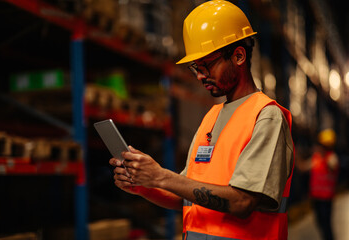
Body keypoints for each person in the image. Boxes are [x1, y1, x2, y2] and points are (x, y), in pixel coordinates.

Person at [110, 1, 295, 239]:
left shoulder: (266, 116)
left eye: (206, 65)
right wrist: (143, 185)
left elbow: (242, 202)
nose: (199, 75)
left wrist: (161, 176)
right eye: (195, 67)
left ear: (238, 56)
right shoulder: (212, 117)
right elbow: (187, 194)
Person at [297, 129, 339, 240]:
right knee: (320, 223)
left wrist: (323, 154)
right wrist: (295, 155)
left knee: (326, 225)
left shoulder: (332, 158)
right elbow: (303, 168)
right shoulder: (316, 157)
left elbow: (332, 166)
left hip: (326, 199)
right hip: (316, 198)